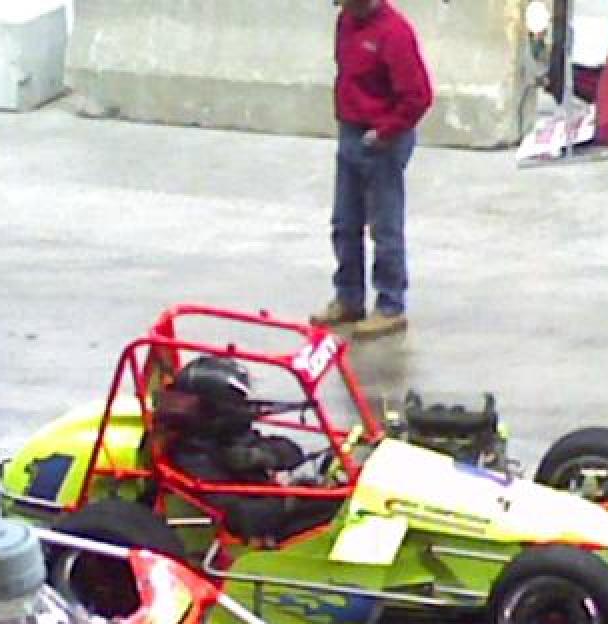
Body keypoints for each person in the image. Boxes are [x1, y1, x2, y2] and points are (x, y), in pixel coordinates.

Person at [311, 0, 433, 341]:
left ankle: (391, 305)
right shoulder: (346, 22)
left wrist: (385, 132)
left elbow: (418, 96)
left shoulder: (395, 33)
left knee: (385, 227)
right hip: (351, 131)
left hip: (383, 140)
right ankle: (349, 297)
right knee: (344, 223)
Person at [156, 356, 341, 541]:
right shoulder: (194, 457)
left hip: (272, 501)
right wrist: (290, 500)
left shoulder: (226, 436)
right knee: (335, 505)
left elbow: (291, 451)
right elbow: (239, 517)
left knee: (335, 495)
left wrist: (261, 455)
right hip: (261, 531)